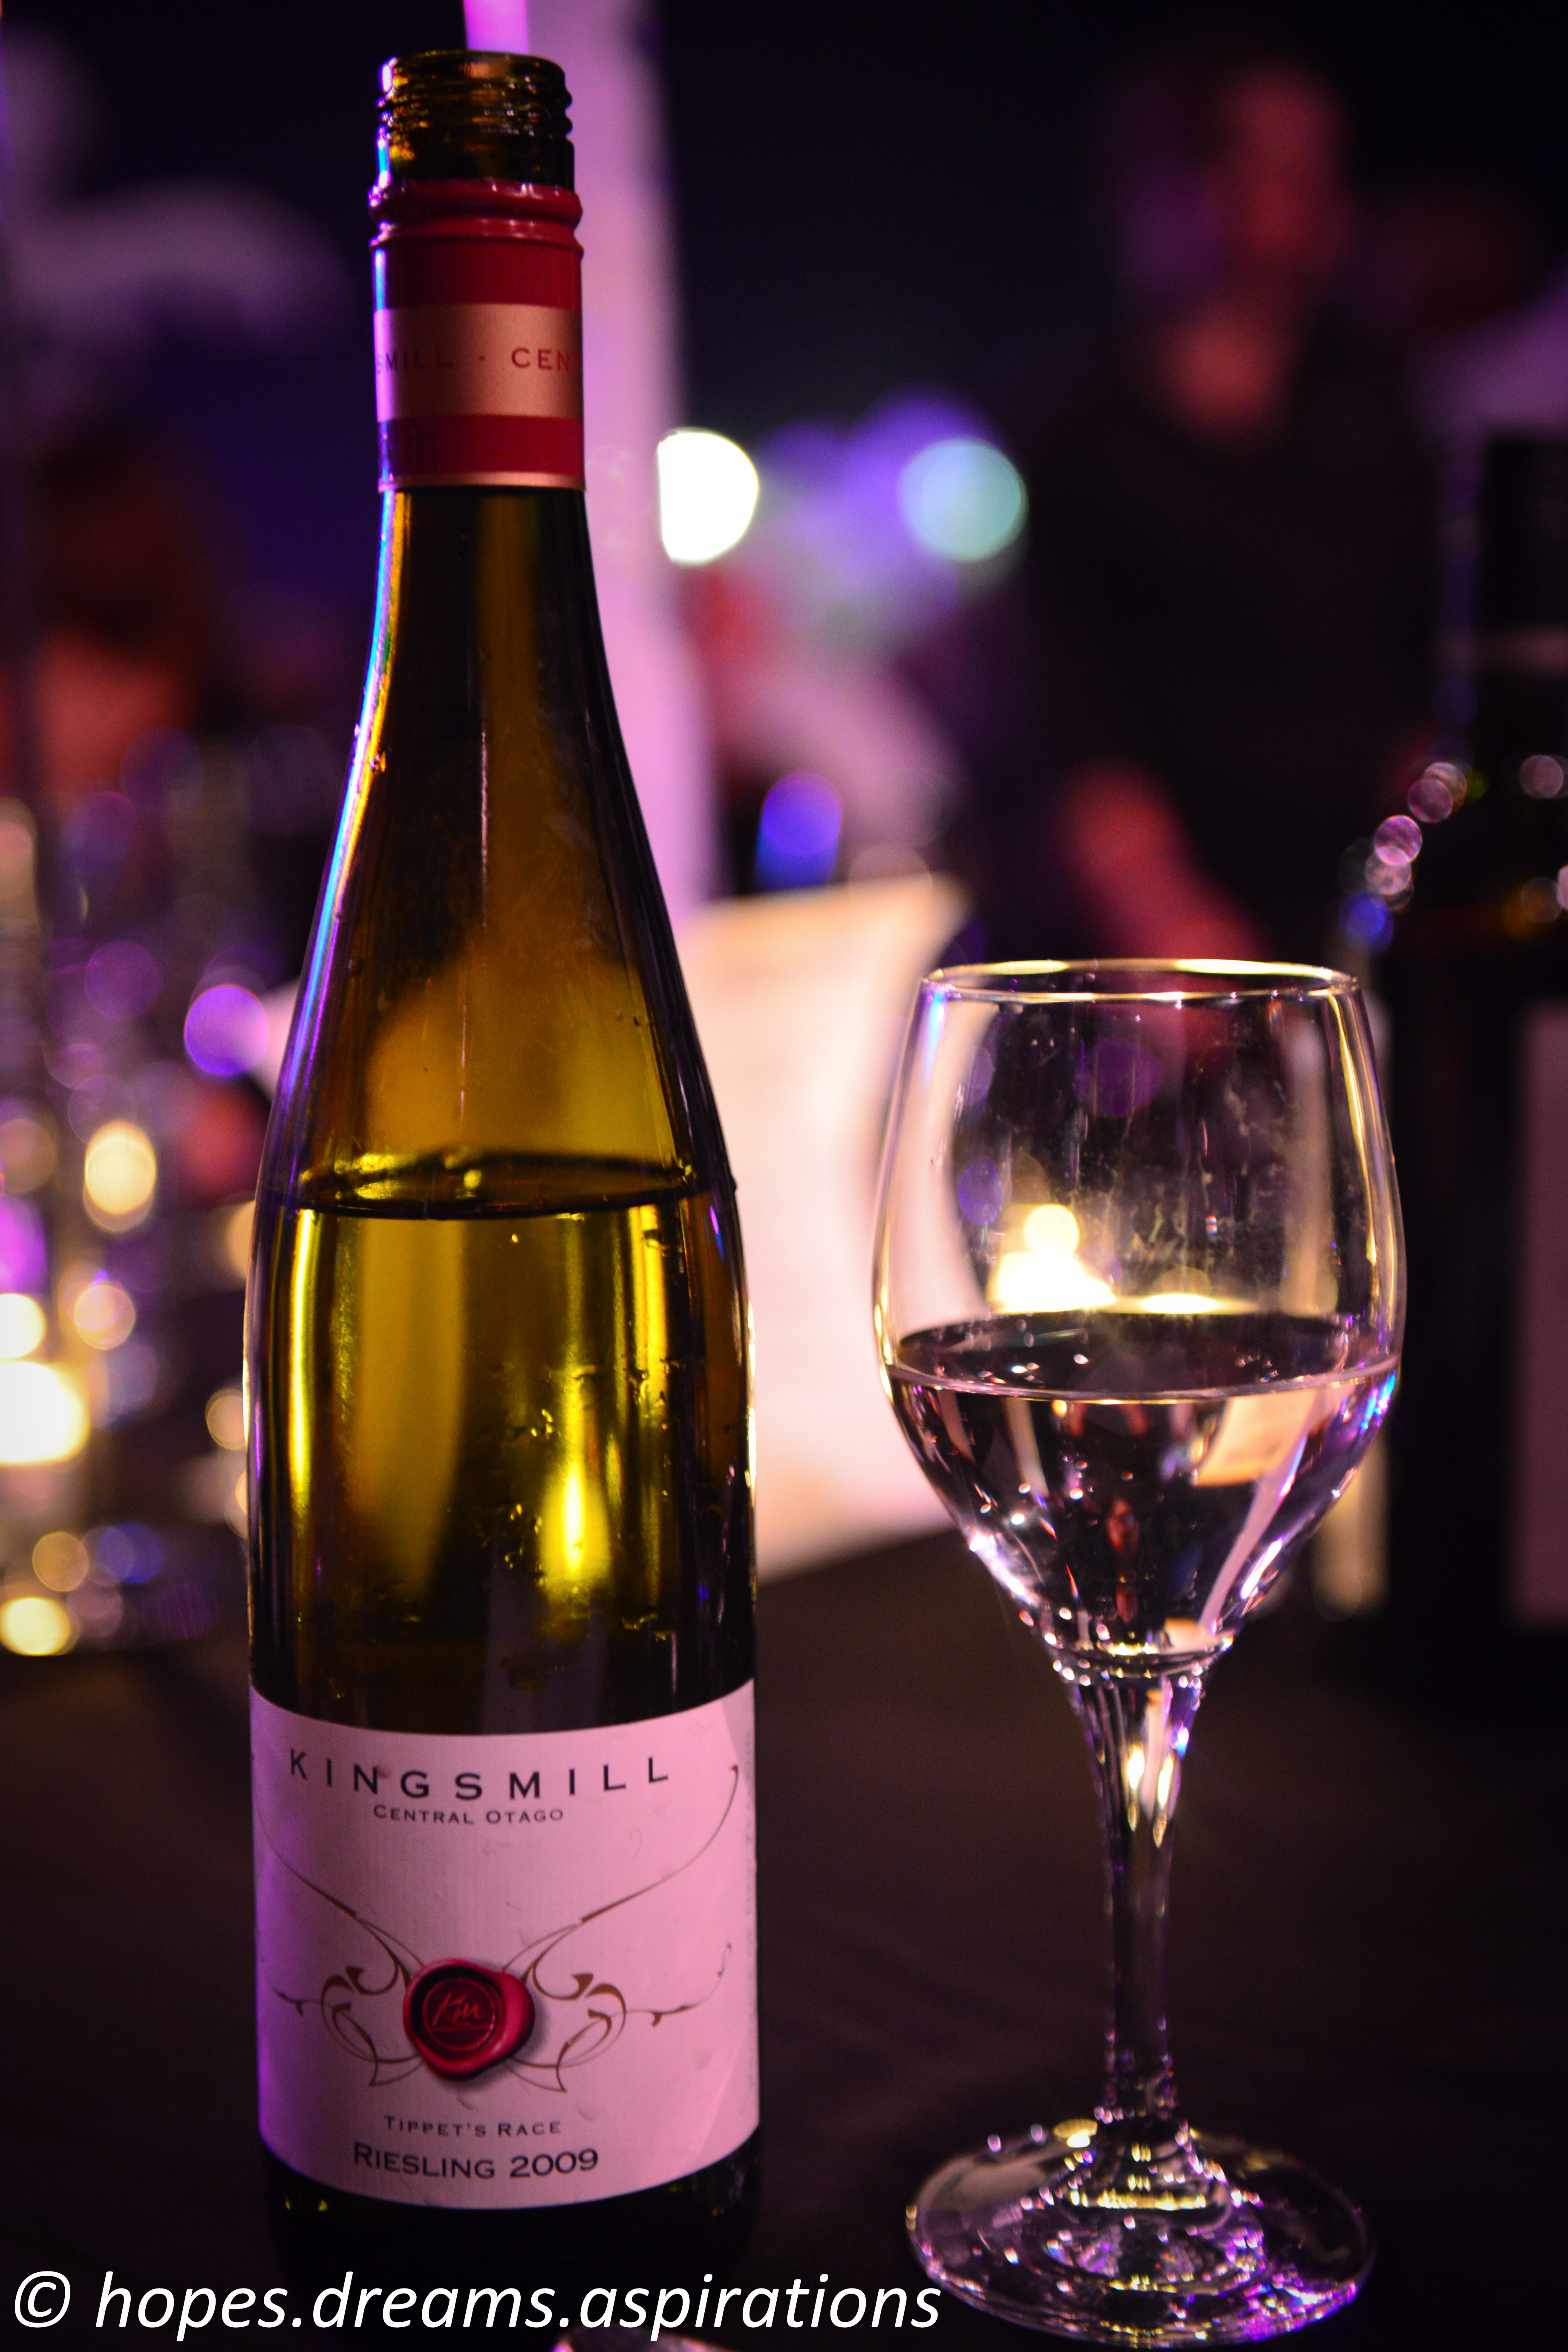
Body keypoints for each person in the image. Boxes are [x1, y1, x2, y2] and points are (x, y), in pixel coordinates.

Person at [957, 37, 1435, 963]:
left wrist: (1399, 903)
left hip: (1355, 917)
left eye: (1320, 166)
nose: (1303, 197)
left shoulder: (1381, 418)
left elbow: (1421, 696)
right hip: (1148, 951)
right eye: (1258, 164)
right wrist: (1183, 942)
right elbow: (1072, 725)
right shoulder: (1075, 427)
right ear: (1166, 188)